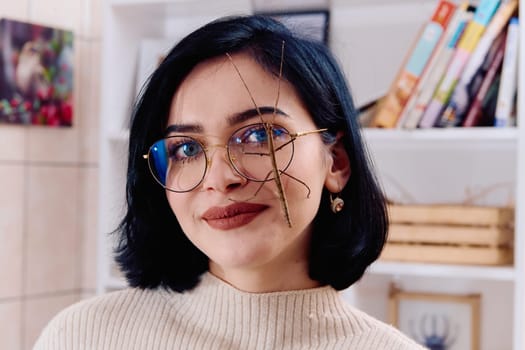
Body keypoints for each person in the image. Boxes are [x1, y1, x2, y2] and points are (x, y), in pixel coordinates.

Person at [34, 15, 425, 349]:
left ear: (335, 162)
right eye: (186, 149)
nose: (221, 178)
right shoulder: (82, 337)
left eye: (259, 136)